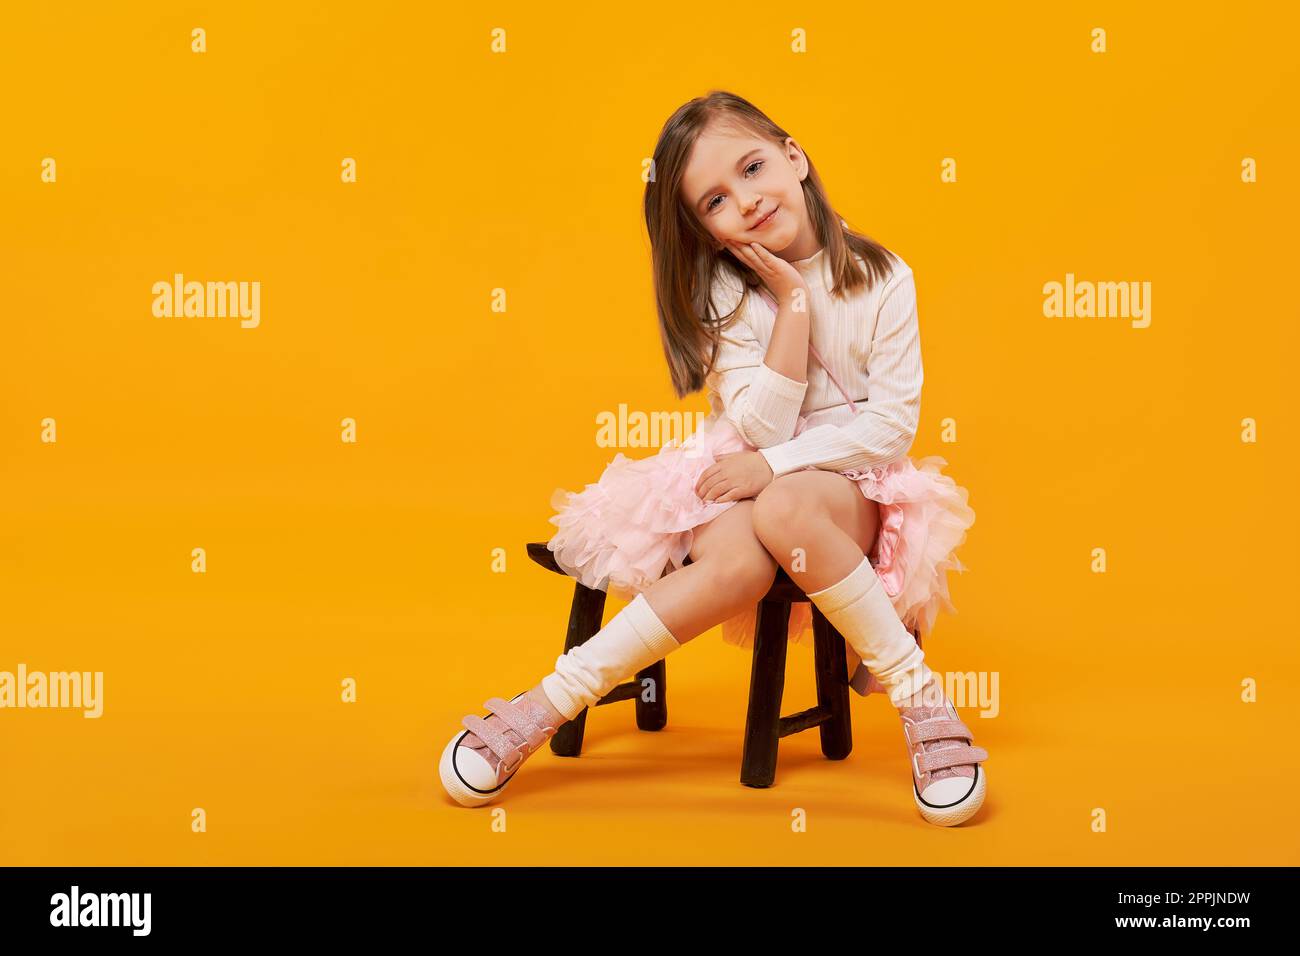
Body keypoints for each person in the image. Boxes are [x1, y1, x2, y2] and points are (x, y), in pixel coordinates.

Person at [439, 90, 986, 826]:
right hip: (740, 474)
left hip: (848, 487)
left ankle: (923, 703)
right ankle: (543, 706)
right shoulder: (726, 292)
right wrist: (790, 303)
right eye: (718, 200)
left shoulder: (884, 279)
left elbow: (889, 428)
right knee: (738, 564)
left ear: (795, 156)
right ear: (706, 231)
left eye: (755, 167)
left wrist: (778, 467)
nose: (749, 201)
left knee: (789, 504)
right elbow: (755, 429)